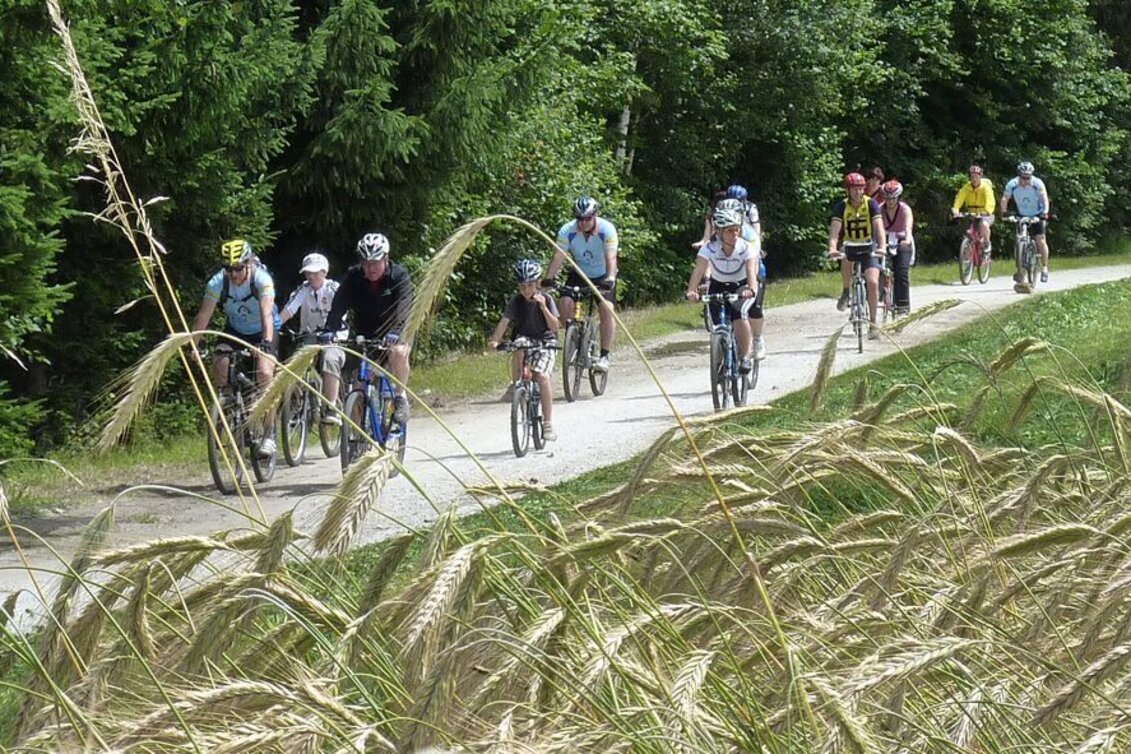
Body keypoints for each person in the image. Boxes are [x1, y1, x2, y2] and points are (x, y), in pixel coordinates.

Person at [190, 239, 281, 457]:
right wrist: (193, 344)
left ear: (249, 264)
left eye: (238, 268)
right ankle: (230, 409)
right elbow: (204, 315)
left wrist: (266, 345)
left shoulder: (262, 280)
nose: (233, 274)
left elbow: (266, 314)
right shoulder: (217, 283)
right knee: (220, 362)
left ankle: (270, 433)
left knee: (264, 372)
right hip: (235, 330)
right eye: (228, 268)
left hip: (263, 330)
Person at [321, 232, 414, 425]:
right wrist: (330, 328)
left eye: (375, 262)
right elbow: (339, 302)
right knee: (359, 386)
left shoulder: (399, 276)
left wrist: (396, 331)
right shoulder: (354, 276)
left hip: (396, 328)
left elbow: (405, 306)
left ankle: (400, 397)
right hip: (365, 332)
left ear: (386, 259)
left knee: (398, 352)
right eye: (366, 262)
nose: (370, 268)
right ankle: (357, 436)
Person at [488, 259, 561, 442]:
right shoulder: (516, 302)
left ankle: (548, 423)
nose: (526, 290)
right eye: (522, 286)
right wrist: (495, 341)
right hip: (526, 338)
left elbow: (555, 327)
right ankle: (517, 385)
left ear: (536, 284)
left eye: (529, 285)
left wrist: (543, 306)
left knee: (541, 377)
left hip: (545, 340)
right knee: (518, 345)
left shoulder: (547, 299)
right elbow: (504, 322)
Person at [545, 195, 618, 373]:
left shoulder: (607, 229)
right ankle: (576, 336)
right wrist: (549, 279)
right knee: (565, 303)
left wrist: (610, 278)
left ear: (595, 215)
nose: (583, 222)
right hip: (580, 273)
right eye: (579, 218)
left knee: (606, 309)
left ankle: (604, 355)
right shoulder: (567, 230)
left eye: (587, 218)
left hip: (602, 274)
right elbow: (558, 256)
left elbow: (611, 257)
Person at [684, 206, 759, 372]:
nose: (735, 234)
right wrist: (691, 290)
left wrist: (751, 289)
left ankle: (746, 356)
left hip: (741, 285)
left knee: (740, 316)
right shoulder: (709, 248)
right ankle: (719, 362)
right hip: (718, 284)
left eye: (737, 230)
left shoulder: (746, 248)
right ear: (719, 232)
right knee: (717, 324)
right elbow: (699, 270)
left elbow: (751, 272)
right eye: (730, 231)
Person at [279, 251, 347, 425]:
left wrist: (333, 332)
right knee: (294, 364)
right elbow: (290, 309)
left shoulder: (333, 288)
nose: (312, 276)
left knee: (331, 358)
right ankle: (296, 406)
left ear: (324, 272)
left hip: (334, 336)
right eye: (309, 273)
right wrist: (273, 325)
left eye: (316, 273)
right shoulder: (304, 289)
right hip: (309, 335)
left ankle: (331, 407)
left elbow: (342, 310)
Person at [828, 172, 886, 339]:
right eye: (854, 189)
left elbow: (878, 227)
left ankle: (873, 323)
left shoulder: (871, 204)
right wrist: (832, 248)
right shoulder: (842, 206)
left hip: (869, 245)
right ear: (848, 190)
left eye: (860, 189)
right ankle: (846, 291)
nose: (858, 192)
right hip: (850, 244)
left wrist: (882, 246)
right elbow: (835, 231)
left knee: (873, 282)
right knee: (845, 257)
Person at [999, 160, 1052, 286]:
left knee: (1041, 240)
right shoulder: (1012, 184)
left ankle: (1044, 267)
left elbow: (1044, 198)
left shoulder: (1037, 183)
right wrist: (1004, 212)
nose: (1025, 181)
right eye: (1023, 178)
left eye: (1028, 178)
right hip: (1021, 214)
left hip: (1037, 214)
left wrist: (1045, 212)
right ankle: (1021, 269)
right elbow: (1005, 198)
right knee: (1020, 239)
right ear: (1019, 176)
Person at [876, 179, 916, 314]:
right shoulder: (880, 209)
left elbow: (908, 227)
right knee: (874, 268)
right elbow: (875, 228)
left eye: (893, 198)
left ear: (898, 197)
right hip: (883, 241)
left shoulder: (905, 209)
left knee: (901, 273)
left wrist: (907, 239)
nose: (890, 202)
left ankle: (903, 306)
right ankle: (879, 293)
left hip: (902, 241)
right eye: (887, 198)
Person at [950, 164, 995, 255]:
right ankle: (967, 259)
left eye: (976, 176)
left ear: (980, 176)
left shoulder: (985, 187)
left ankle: (986, 244)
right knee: (969, 234)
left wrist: (986, 211)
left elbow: (990, 200)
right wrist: (955, 209)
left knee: (984, 225)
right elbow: (959, 198)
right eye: (972, 176)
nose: (974, 178)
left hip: (985, 215)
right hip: (972, 215)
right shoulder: (966, 188)